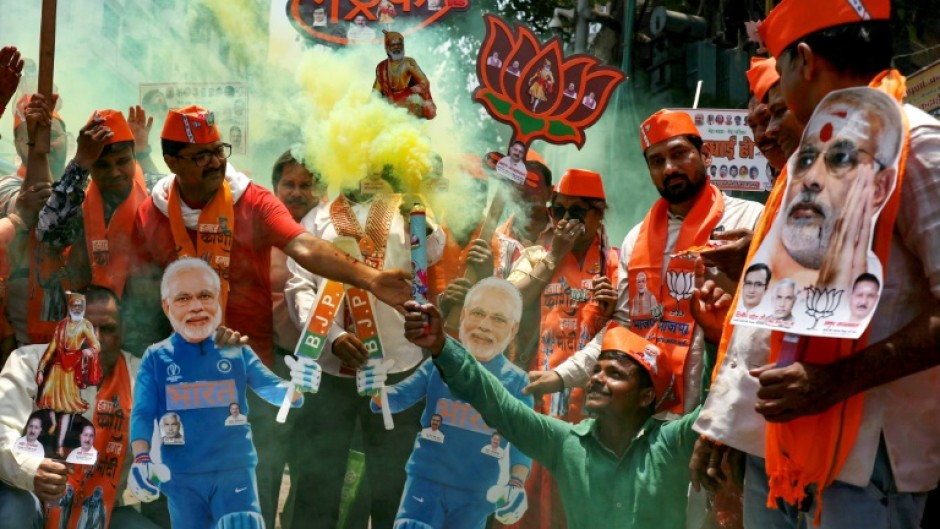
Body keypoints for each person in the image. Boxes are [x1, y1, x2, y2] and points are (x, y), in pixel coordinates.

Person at [694, 2, 940, 526]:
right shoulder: (814, 160)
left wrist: (836, 382)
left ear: (804, 60)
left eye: (778, 66)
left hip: (866, 463)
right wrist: (727, 423)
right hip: (778, 446)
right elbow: (786, 316)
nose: (777, 86)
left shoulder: (915, 145)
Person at [125, 105, 411, 364]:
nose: (215, 162)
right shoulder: (152, 213)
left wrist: (371, 278)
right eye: (201, 156)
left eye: (218, 150)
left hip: (251, 362)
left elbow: (305, 246)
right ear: (172, 162)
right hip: (181, 363)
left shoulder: (253, 201)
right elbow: (142, 293)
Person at [402, 302, 704, 529]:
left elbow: (719, 407)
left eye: (614, 374)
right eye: (596, 370)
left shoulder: (671, 443)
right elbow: (496, 403)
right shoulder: (567, 443)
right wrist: (442, 345)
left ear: (646, 396)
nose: (596, 379)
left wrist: (717, 333)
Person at [283, 165, 445, 529]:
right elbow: (299, 287)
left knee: (395, 481)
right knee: (319, 480)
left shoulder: (408, 211)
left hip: (395, 367)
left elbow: (433, 251)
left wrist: (419, 215)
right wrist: (333, 337)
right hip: (329, 370)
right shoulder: (319, 217)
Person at [128, 258, 321, 529]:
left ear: (219, 300)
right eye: (183, 298)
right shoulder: (156, 358)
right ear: (166, 306)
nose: (196, 306)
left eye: (205, 296)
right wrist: (141, 459)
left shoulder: (235, 349)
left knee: (240, 523)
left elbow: (274, 390)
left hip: (235, 473)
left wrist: (300, 385)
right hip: (181, 477)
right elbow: (142, 414)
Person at [505, 168, 622, 529]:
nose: (564, 220)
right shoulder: (534, 255)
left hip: (591, 412)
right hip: (534, 398)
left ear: (599, 213)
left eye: (576, 212)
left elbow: (626, 331)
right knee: (522, 502)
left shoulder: (617, 263)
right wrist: (554, 255)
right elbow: (512, 303)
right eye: (558, 210)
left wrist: (612, 308)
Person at [367, 278, 534, 529]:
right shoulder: (438, 361)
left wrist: (516, 484)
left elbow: (525, 442)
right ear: (464, 315)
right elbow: (397, 397)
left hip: (477, 493)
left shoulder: (518, 382)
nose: (484, 326)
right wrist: (373, 386)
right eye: (478, 313)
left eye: (498, 319)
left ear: (514, 329)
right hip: (425, 481)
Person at [0, 286, 163, 529]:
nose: (95, 339)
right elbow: (2, 429)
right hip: (32, 499)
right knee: (15, 512)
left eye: (107, 329)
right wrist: (31, 471)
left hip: (104, 510)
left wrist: (221, 352)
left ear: (123, 331)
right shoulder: (28, 363)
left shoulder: (142, 377)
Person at [257, 149, 326, 528]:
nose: (297, 192)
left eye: (306, 184)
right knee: (265, 465)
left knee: (311, 470)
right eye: (289, 183)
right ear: (276, 187)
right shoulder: (260, 233)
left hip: (324, 371)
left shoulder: (334, 233)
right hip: (273, 366)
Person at [36, 107, 157, 299]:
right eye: (103, 165)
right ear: (90, 167)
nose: (115, 172)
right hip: (89, 318)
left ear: (135, 157)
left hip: (144, 320)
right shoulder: (76, 199)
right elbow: (48, 235)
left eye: (122, 161)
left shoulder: (155, 193)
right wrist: (79, 163)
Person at [36, 292, 101, 458]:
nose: (77, 308)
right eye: (75, 305)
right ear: (69, 306)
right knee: (48, 403)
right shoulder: (61, 325)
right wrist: (41, 369)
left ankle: (59, 445)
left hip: (71, 371)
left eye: (80, 305)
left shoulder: (86, 325)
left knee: (66, 411)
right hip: (57, 368)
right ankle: (52, 424)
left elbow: (96, 346)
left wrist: (88, 351)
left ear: (84, 308)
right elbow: (51, 349)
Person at [372, 32, 436, 119]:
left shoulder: (409, 63)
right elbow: (375, 93)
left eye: (399, 44)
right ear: (387, 48)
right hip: (390, 108)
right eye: (393, 45)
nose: (397, 47)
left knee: (414, 100)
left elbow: (424, 83)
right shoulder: (381, 67)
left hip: (408, 106)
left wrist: (406, 93)